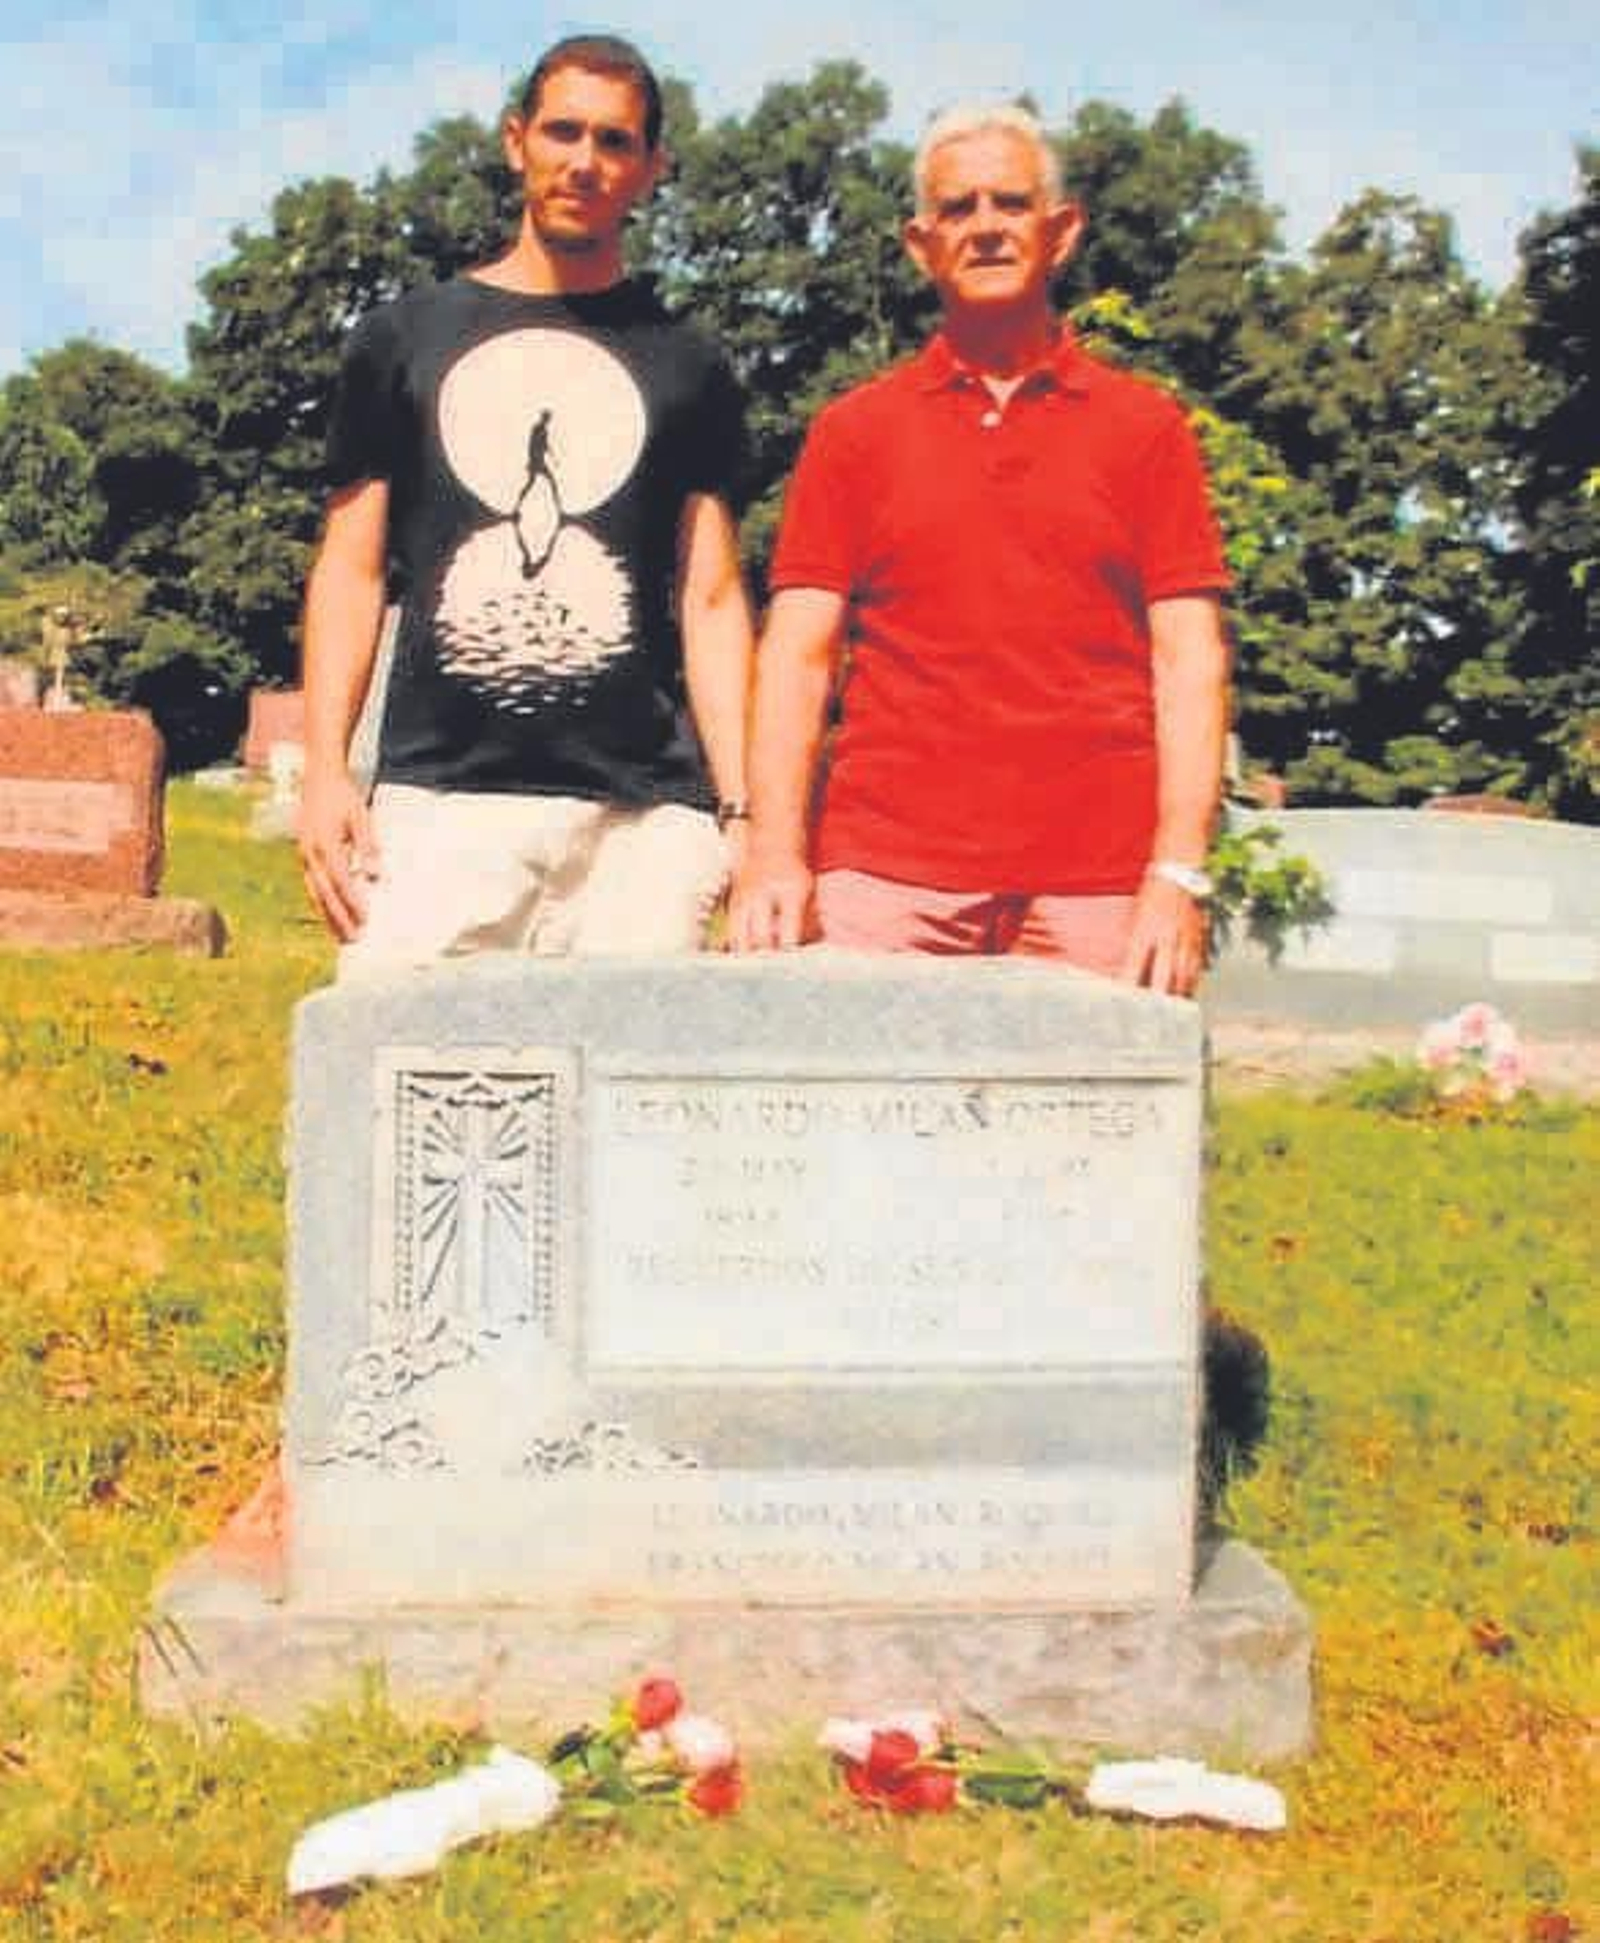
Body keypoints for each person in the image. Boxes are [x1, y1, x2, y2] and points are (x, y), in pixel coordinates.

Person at [728, 103, 1230, 996]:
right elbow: (799, 656)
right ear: (921, 244)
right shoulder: (855, 433)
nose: (987, 227)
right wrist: (773, 852)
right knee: (857, 1132)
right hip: (885, 878)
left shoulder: (1147, 430)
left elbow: (1190, 661)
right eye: (959, 209)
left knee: (1094, 1135)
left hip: (1099, 885)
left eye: (1011, 202)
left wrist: (1179, 872)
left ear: (1060, 230)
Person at [299, 33, 753, 969]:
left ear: (651, 166)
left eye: (615, 142)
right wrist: (325, 772)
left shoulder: (689, 362)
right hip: (440, 801)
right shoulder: (404, 337)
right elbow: (350, 567)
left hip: (643, 818)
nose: (584, 162)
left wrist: (742, 806)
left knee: (631, 1098)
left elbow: (709, 596)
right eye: (563, 132)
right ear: (517, 142)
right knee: (402, 1077)